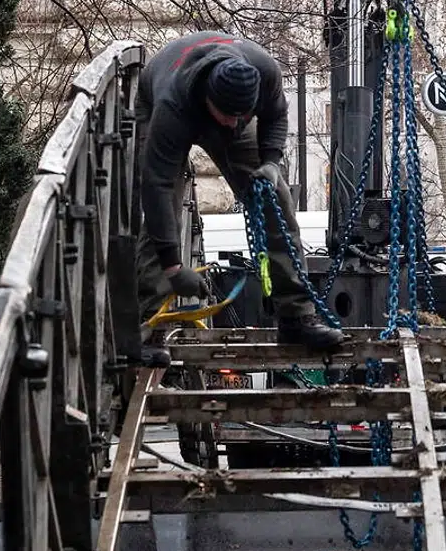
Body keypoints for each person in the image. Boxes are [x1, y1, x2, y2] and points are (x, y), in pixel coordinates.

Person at [134, 31, 346, 351]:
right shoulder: (172, 106)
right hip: (161, 97)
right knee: (162, 209)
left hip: (220, 96)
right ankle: (154, 323)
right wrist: (174, 267)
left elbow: (275, 117)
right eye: (230, 117)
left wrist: (271, 162)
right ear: (210, 101)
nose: (236, 125)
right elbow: (158, 186)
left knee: (274, 199)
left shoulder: (263, 72)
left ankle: (296, 317)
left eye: (243, 117)